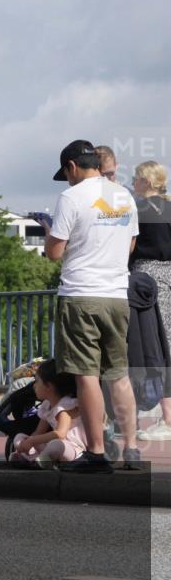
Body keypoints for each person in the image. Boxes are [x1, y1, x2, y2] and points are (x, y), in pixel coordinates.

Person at [40, 140, 140, 473]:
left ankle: (96, 453)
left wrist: (48, 235)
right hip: (116, 294)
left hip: (81, 295)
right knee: (119, 375)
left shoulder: (71, 197)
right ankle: (133, 447)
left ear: (71, 167)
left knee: (87, 376)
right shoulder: (123, 195)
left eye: (66, 173)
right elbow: (131, 242)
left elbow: (55, 252)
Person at [129, 160, 171, 440]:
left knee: (151, 344)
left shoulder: (138, 209)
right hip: (170, 274)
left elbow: (128, 244)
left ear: (145, 181)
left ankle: (166, 419)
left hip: (146, 278)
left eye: (136, 178)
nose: (133, 182)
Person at [10, 359, 87, 468]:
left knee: (56, 445)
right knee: (20, 436)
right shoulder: (46, 405)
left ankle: (35, 460)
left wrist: (33, 440)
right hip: (51, 446)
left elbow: (60, 434)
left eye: (37, 381)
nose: (34, 386)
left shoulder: (64, 406)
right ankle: (30, 457)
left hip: (72, 448)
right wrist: (27, 443)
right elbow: (39, 432)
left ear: (48, 386)